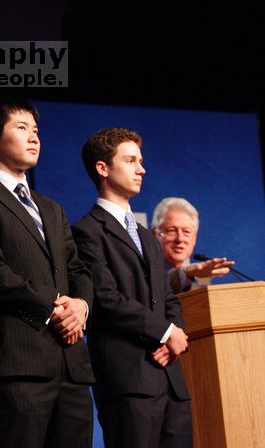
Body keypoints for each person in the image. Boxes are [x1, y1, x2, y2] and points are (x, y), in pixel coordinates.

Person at [0, 98, 95, 448]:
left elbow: (77, 269)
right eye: (21, 128)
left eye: (36, 131)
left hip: (71, 362)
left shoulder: (52, 208)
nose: (34, 138)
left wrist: (82, 306)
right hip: (21, 360)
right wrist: (55, 303)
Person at [72, 127, 192, 448]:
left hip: (170, 380)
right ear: (103, 168)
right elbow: (106, 299)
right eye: (130, 160)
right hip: (129, 381)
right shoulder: (86, 232)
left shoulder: (146, 236)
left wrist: (173, 337)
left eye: (141, 161)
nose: (142, 169)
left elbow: (168, 298)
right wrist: (167, 332)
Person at [151, 197, 234, 292]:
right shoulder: (141, 271)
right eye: (171, 231)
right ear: (154, 234)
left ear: (194, 239)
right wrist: (185, 273)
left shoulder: (199, 285)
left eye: (186, 232)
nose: (180, 239)